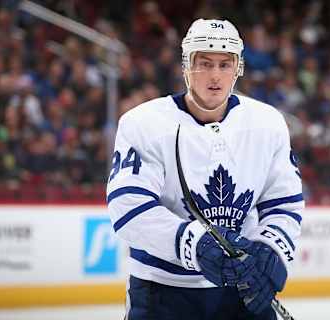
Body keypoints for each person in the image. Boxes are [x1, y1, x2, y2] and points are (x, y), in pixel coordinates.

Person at [106, 18, 304, 320]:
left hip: (242, 290)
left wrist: (270, 251)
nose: (215, 75)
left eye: (225, 65)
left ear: (238, 68)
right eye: (204, 63)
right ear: (186, 66)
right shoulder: (143, 123)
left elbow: (284, 203)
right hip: (163, 292)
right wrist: (194, 243)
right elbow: (128, 208)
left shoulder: (268, 123)